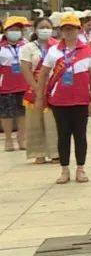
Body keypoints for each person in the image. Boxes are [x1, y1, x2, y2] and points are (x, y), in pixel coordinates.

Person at [36, 13, 91, 184]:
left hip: (80, 100)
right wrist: (40, 97)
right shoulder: (54, 51)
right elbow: (43, 74)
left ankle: (80, 168)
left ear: (78, 30)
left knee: (80, 135)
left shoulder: (86, 50)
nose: (69, 32)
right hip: (59, 101)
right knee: (63, 135)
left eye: (72, 28)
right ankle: (64, 169)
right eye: (66, 29)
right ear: (61, 31)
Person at [20, 17, 58, 164]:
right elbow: (25, 70)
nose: (45, 30)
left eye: (48, 27)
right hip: (34, 89)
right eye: (42, 27)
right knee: (34, 121)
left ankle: (55, 152)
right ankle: (38, 152)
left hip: (52, 88)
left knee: (53, 122)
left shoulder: (57, 46)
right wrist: (37, 88)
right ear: (35, 29)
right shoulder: (28, 47)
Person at [1, 16, 29, 152]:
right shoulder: (1, 46)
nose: (15, 32)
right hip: (5, 84)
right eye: (12, 29)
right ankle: (8, 139)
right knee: (6, 113)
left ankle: (21, 138)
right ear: (5, 31)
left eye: (18, 29)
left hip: (23, 83)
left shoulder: (25, 44)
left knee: (22, 111)